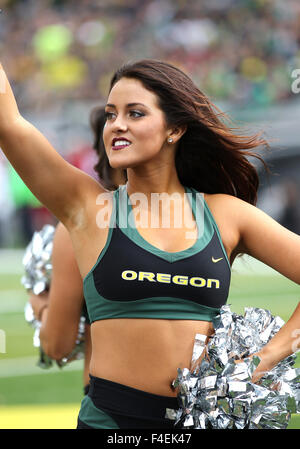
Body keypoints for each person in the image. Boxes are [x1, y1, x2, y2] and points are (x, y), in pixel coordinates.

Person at [0, 59, 299, 429]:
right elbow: (8, 122)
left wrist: (267, 356)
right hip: (109, 424)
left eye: (135, 113)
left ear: (175, 129)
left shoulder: (226, 215)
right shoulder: (89, 209)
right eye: (110, 115)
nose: (117, 125)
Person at [28, 106, 126, 395]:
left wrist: (40, 306)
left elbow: (57, 345)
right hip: (190, 409)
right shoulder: (201, 213)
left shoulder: (84, 225)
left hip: (108, 407)